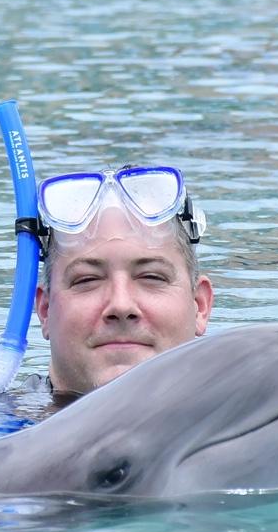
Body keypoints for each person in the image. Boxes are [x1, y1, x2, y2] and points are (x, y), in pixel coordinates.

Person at [31, 165, 213, 401]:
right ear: (45, 311)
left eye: (151, 277)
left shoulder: (254, 414)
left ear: (200, 306)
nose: (121, 305)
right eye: (87, 280)